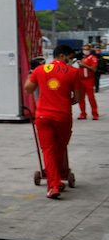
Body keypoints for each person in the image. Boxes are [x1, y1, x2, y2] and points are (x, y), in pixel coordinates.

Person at [23, 44, 83, 199]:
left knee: (48, 150)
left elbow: (28, 89)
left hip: (42, 116)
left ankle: (54, 185)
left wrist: (31, 73)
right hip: (62, 116)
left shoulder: (40, 70)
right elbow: (77, 98)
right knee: (59, 148)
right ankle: (55, 181)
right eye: (70, 58)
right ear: (62, 56)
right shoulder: (74, 72)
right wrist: (62, 101)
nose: (71, 61)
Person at [76, 44, 99, 120]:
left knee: (91, 97)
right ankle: (83, 113)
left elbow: (94, 69)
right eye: (84, 49)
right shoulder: (82, 58)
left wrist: (84, 65)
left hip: (89, 79)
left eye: (87, 49)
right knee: (81, 98)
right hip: (81, 80)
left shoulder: (93, 58)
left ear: (90, 50)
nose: (85, 51)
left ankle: (95, 113)